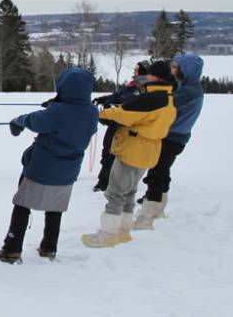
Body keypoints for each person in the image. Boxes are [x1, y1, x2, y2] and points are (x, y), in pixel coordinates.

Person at [0, 68, 98, 263]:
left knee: (22, 205)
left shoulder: (57, 112)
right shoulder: (91, 113)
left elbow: (35, 121)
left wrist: (18, 120)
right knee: (55, 208)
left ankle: (11, 249)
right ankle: (49, 247)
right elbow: (73, 120)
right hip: (68, 170)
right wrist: (56, 107)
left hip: (41, 169)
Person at [82, 61, 176, 248]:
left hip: (132, 150)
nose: (146, 76)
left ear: (155, 77)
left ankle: (108, 234)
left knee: (115, 192)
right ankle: (123, 230)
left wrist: (101, 115)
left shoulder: (151, 99)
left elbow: (123, 113)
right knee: (130, 190)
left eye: (149, 74)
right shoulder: (168, 97)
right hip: (148, 151)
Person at [134, 53, 204, 229]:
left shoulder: (187, 92)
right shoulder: (188, 87)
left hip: (171, 138)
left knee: (156, 174)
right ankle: (159, 207)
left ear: (184, 70)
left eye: (175, 67)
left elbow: (163, 105)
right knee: (162, 171)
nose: (172, 70)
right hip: (176, 137)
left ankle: (148, 215)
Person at [91, 61, 150, 192]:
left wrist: (111, 104)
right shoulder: (132, 85)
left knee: (113, 153)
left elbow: (127, 102)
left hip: (125, 126)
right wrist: (103, 99)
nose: (134, 71)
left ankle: (108, 182)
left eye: (137, 69)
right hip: (114, 122)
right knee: (106, 150)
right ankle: (103, 180)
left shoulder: (143, 88)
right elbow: (117, 95)